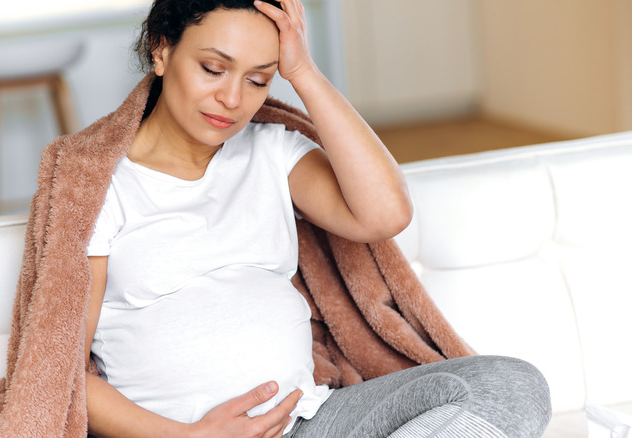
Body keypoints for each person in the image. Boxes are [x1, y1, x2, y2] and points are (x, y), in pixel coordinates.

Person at [83, 1, 552, 437]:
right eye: (213, 69)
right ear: (161, 49)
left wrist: (304, 72)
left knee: (510, 383)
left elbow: (385, 213)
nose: (232, 97)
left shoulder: (272, 151)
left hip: (309, 422)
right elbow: (63, 369)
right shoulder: (94, 186)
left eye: (258, 79)